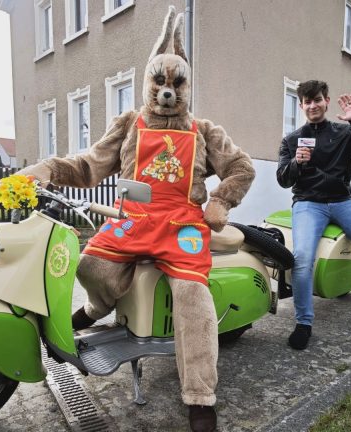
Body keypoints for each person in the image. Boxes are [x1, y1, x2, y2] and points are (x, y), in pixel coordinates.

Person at [18, 8, 254, 432]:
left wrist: (220, 201)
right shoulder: (128, 124)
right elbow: (89, 165)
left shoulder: (203, 130)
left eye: (175, 84)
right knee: (90, 262)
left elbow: (242, 167)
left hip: (183, 225)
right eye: (159, 82)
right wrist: (48, 170)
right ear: (148, 83)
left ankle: (200, 397)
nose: (166, 91)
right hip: (134, 218)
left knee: (193, 300)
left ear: (186, 86)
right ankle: (97, 307)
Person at [276, 80, 351, 350]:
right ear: (301, 105)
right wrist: (297, 162)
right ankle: (304, 322)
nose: (313, 105)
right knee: (303, 259)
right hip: (308, 203)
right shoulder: (291, 139)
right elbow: (283, 179)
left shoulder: (343, 132)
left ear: (326, 101)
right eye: (307, 101)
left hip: (343, 201)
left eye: (317, 99)